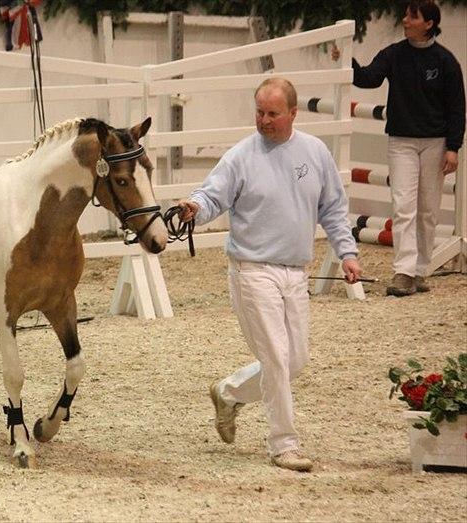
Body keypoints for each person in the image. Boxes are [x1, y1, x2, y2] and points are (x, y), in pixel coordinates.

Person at [178, 77, 363, 472]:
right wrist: (195, 207)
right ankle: (284, 444)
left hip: (296, 271)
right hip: (252, 269)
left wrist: (347, 253)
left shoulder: (315, 152)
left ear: (293, 113)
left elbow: (332, 208)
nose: (264, 120)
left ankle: (228, 393)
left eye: (273, 113)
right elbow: (212, 195)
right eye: (259, 112)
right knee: (276, 358)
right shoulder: (241, 156)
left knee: (295, 360)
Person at [332, 0, 465, 296]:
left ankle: (420, 270)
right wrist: (347, 61)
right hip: (401, 141)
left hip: (436, 142)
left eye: (411, 16)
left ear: (428, 23)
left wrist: (453, 147)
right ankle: (403, 271)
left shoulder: (446, 62)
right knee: (404, 207)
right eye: (405, 14)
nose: (404, 20)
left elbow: (457, 107)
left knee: (428, 210)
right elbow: (368, 78)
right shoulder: (393, 54)